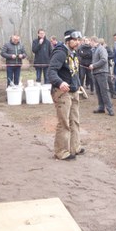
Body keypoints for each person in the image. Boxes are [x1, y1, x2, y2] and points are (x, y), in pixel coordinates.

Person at [48, 29, 84, 160]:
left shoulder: (74, 53)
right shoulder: (60, 53)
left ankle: (75, 147)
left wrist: (78, 83)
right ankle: (61, 151)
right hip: (62, 92)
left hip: (74, 91)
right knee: (64, 122)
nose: (78, 42)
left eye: (79, 40)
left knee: (75, 120)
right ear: (68, 40)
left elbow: (74, 71)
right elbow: (51, 71)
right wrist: (59, 82)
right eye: (75, 40)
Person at [89, 36, 114, 116]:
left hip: (102, 73)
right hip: (96, 73)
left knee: (104, 91)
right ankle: (101, 107)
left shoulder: (101, 49)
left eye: (90, 41)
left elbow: (104, 60)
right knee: (98, 91)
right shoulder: (94, 50)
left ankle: (110, 109)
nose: (90, 43)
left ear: (93, 41)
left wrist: (94, 65)